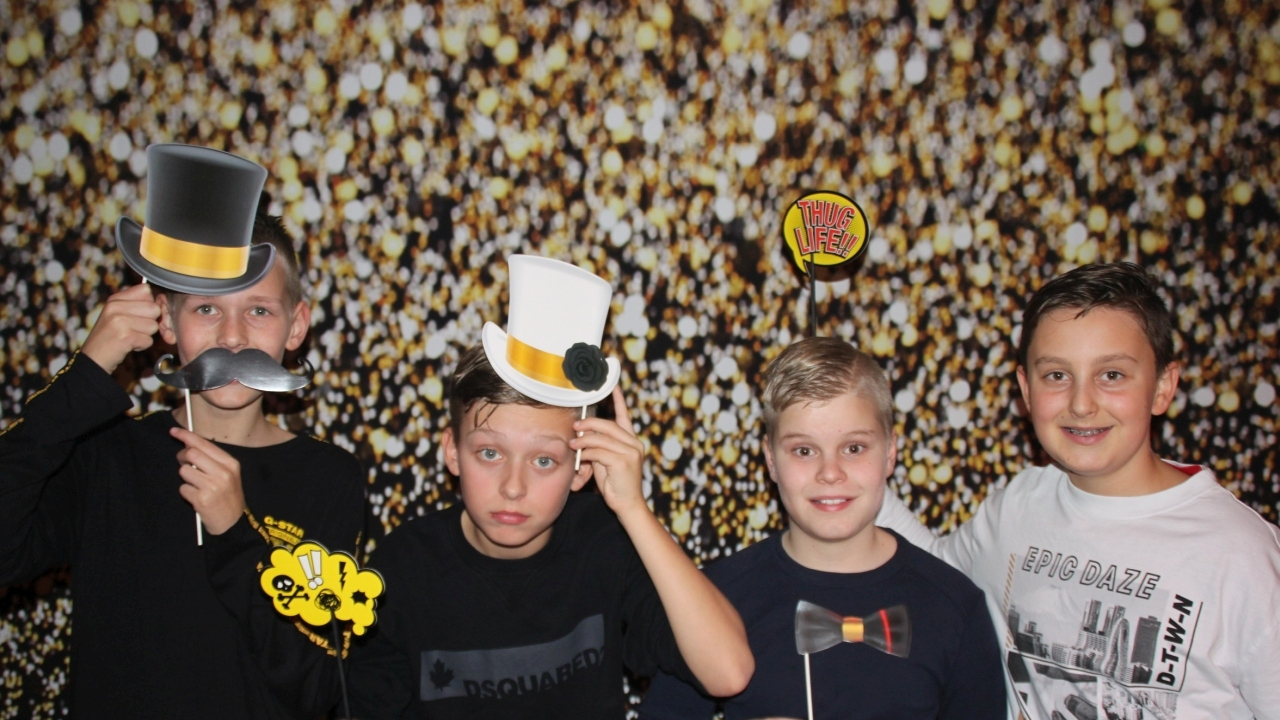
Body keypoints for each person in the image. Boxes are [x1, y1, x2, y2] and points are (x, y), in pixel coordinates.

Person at [0, 172, 366, 716]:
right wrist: (85, 376)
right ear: (167, 321)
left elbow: (321, 691)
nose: (233, 336)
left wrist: (236, 536)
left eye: (259, 310)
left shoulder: (329, 477)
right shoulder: (108, 458)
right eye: (207, 308)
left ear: (296, 327)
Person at [346, 254, 753, 718]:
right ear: (452, 452)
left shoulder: (605, 544)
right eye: (490, 453)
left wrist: (633, 509)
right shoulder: (403, 569)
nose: (513, 487)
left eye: (544, 460)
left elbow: (729, 672)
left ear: (581, 468)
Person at [876, 262, 1280, 720]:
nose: (1082, 403)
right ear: (1026, 389)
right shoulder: (1019, 506)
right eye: (1057, 375)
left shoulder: (1243, 556)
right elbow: (934, 569)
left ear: (1163, 386)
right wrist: (854, 475)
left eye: (1112, 375)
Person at [640, 337, 1005, 720]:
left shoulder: (955, 607)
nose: (830, 473)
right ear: (770, 460)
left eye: (854, 448)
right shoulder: (713, 601)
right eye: (804, 450)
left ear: (890, 452)